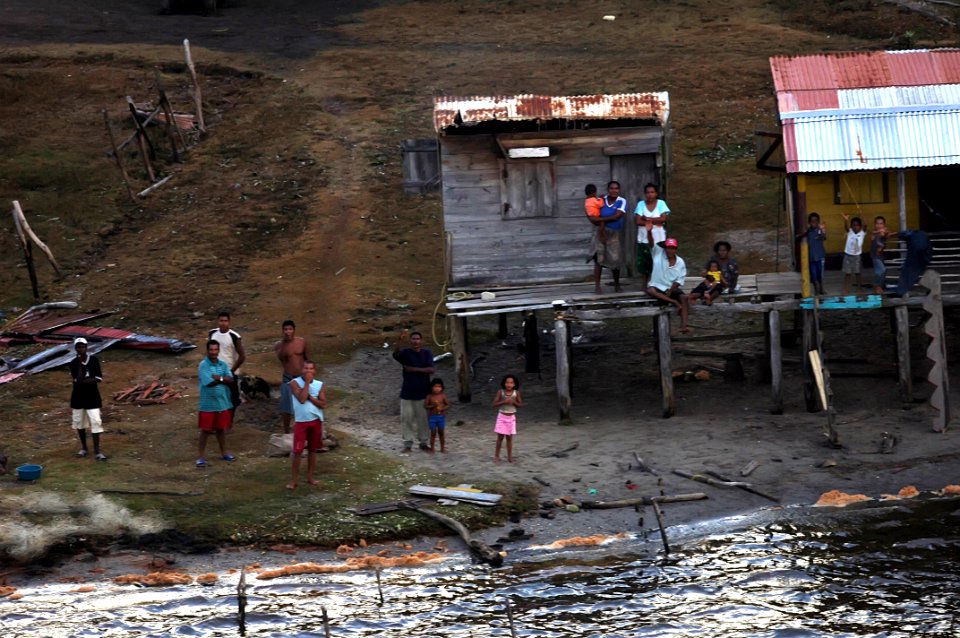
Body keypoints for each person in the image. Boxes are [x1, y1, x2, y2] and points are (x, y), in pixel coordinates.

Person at [392, 329, 435, 453]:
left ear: (421, 341)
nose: (415, 341)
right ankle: (408, 444)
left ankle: (423, 442)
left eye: (417, 339)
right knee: (406, 418)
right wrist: (399, 339)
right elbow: (395, 354)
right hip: (407, 392)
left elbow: (431, 370)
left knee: (423, 419)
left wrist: (413, 369)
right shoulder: (406, 353)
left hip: (422, 392)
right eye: (413, 339)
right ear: (410, 341)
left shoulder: (427, 353)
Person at [287, 360, 327, 490]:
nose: (308, 371)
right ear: (302, 370)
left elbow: (323, 403)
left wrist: (311, 398)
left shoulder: (320, 384)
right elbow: (302, 399)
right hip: (301, 422)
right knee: (297, 451)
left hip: (315, 421)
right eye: (306, 368)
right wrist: (307, 384)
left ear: (314, 371)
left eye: (311, 369)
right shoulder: (294, 383)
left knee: (312, 450)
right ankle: (294, 480)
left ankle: (310, 477)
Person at [197, 339, 236, 467]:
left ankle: (224, 453)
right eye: (211, 350)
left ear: (218, 350)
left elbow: (231, 380)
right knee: (206, 431)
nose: (214, 352)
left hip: (222, 402)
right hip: (207, 404)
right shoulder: (203, 365)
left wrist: (218, 378)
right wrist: (222, 379)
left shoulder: (223, 364)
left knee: (220, 429)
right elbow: (209, 382)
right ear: (207, 351)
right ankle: (201, 457)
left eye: (215, 350)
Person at [645, 228, 691, 333]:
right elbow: (651, 243)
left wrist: (671, 290)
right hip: (657, 286)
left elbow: (679, 280)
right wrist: (649, 231)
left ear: (676, 249)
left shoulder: (680, 262)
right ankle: (674, 302)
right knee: (650, 290)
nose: (669, 250)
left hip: (670, 287)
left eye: (672, 248)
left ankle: (684, 326)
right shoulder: (658, 253)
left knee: (684, 297)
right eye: (668, 248)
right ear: (665, 248)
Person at [69, 337, 106, 461]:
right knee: (80, 423)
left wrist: (85, 381)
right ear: (76, 349)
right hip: (78, 397)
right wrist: (80, 363)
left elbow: (99, 378)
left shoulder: (94, 360)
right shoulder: (73, 363)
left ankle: (97, 451)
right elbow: (78, 380)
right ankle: (84, 448)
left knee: (96, 421)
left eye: (83, 346)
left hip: (92, 397)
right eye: (78, 347)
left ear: (86, 347)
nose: (81, 349)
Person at [589, 181, 626, 293]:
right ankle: (597, 286)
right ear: (608, 189)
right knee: (598, 259)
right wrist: (601, 226)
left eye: (616, 188)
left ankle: (617, 284)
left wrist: (600, 220)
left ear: (618, 190)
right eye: (611, 188)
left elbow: (617, 216)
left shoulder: (622, 201)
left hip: (614, 233)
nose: (613, 190)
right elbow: (594, 214)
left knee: (615, 259)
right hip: (600, 231)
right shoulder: (601, 200)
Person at [208, 310, 245, 415]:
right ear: (217, 321)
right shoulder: (212, 333)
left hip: (230, 372)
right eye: (221, 321)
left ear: (229, 322)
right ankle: (216, 423)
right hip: (216, 372)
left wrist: (231, 371)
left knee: (232, 399)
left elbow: (242, 356)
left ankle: (229, 423)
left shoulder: (234, 336)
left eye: (225, 321)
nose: (223, 323)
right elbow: (209, 350)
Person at [634, 183, 671, 289]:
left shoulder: (661, 203)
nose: (650, 194)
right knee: (645, 262)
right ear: (645, 194)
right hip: (643, 238)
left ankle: (659, 284)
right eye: (648, 192)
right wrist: (656, 221)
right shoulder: (641, 204)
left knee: (658, 261)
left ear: (656, 193)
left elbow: (663, 219)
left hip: (659, 239)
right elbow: (637, 221)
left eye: (652, 192)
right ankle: (645, 284)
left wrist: (647, 219)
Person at [275, 319, 308, 434]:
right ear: (282, 331)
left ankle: (304, 428)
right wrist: (284, 344)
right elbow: (281, 357)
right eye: (285, 329)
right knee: (286, 405)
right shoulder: (279, 346)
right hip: (288, 378)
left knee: (305, 403)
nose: (287, 332)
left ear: (294, 330)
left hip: (302, 377)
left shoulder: (302, 342)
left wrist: (309, 376)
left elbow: (307, 359)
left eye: (290, 329)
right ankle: (286, 432)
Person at [493, 374, 522, 463]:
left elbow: (521, 405)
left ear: (514, 384)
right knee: (500, 437)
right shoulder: (500, 392)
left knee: (509, 438)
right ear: (504, 383)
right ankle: (496, 456)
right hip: (502, 417)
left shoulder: (516, 393)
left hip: (511, 418)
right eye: (507, 382)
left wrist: (514, 402)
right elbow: (494, 404)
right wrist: (504, 401)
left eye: (511, 383)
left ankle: (510, 457)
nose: (509, 384)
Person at [799, 212, 827, 295]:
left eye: (816, 221)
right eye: (812, 221)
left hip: (820, 257)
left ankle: (821, 288)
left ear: (818, 222)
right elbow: (800, 237)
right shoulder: (808, 232)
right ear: (809, 222)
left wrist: (822, 230)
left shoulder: (820, 230)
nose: (814, 223)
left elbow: (823, 237)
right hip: (811, 258)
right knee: (814, 275)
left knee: (820, 275)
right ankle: (816, 290)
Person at [871, 216, 897, 294]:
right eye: (877, 223)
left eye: (881, 224)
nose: (879, 225)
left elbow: (887, 234)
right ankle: (876, 285)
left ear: (884, 225)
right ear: (875, 224)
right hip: (875, 255)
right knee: (882, 270)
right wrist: (880, 231)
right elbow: (873, 233)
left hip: (882, 255)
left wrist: (886, 232)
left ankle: (880, 285)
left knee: (881, 271)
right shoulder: (874, 233)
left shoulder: (884, 232)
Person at [841, 214, 866, 294]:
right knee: (847, 273)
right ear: (851, 226)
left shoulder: (862, 233)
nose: (855, 227)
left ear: (860, 226)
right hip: (848, 255)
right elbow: (846, 227)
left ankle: (859, 288)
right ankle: (846, 289)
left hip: (857, 256)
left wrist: (864, 219)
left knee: (858, 273)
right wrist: (845, 220)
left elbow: (866, 225)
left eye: (857, 225)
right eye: (854, 225)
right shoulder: (850, 232)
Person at [424, 377, 449, 453]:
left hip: (441, 417)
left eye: (439, 387)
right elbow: (425, 406)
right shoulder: (429, 396)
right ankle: (432, 448)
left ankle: (442, 448)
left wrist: (442, 408)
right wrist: (432, 406)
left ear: (442, 388)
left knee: (441, 432)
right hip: (432, 417)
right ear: (432, 387)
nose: (437, 388)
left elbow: (447, 404)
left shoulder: (443, 396)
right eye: (435, 386)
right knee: (433, 433)